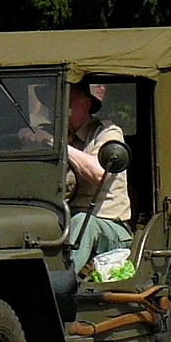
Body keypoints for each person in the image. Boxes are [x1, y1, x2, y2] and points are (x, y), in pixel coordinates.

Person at [64, 82, 132, 278]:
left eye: (69, 101)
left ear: (86, 104)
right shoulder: (60, 135)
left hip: (110, 226)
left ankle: (61, 284)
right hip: (67, 218)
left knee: (84, 223)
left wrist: (60, 148)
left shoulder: (108, 132)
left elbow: (97, 173)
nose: (63, 109)